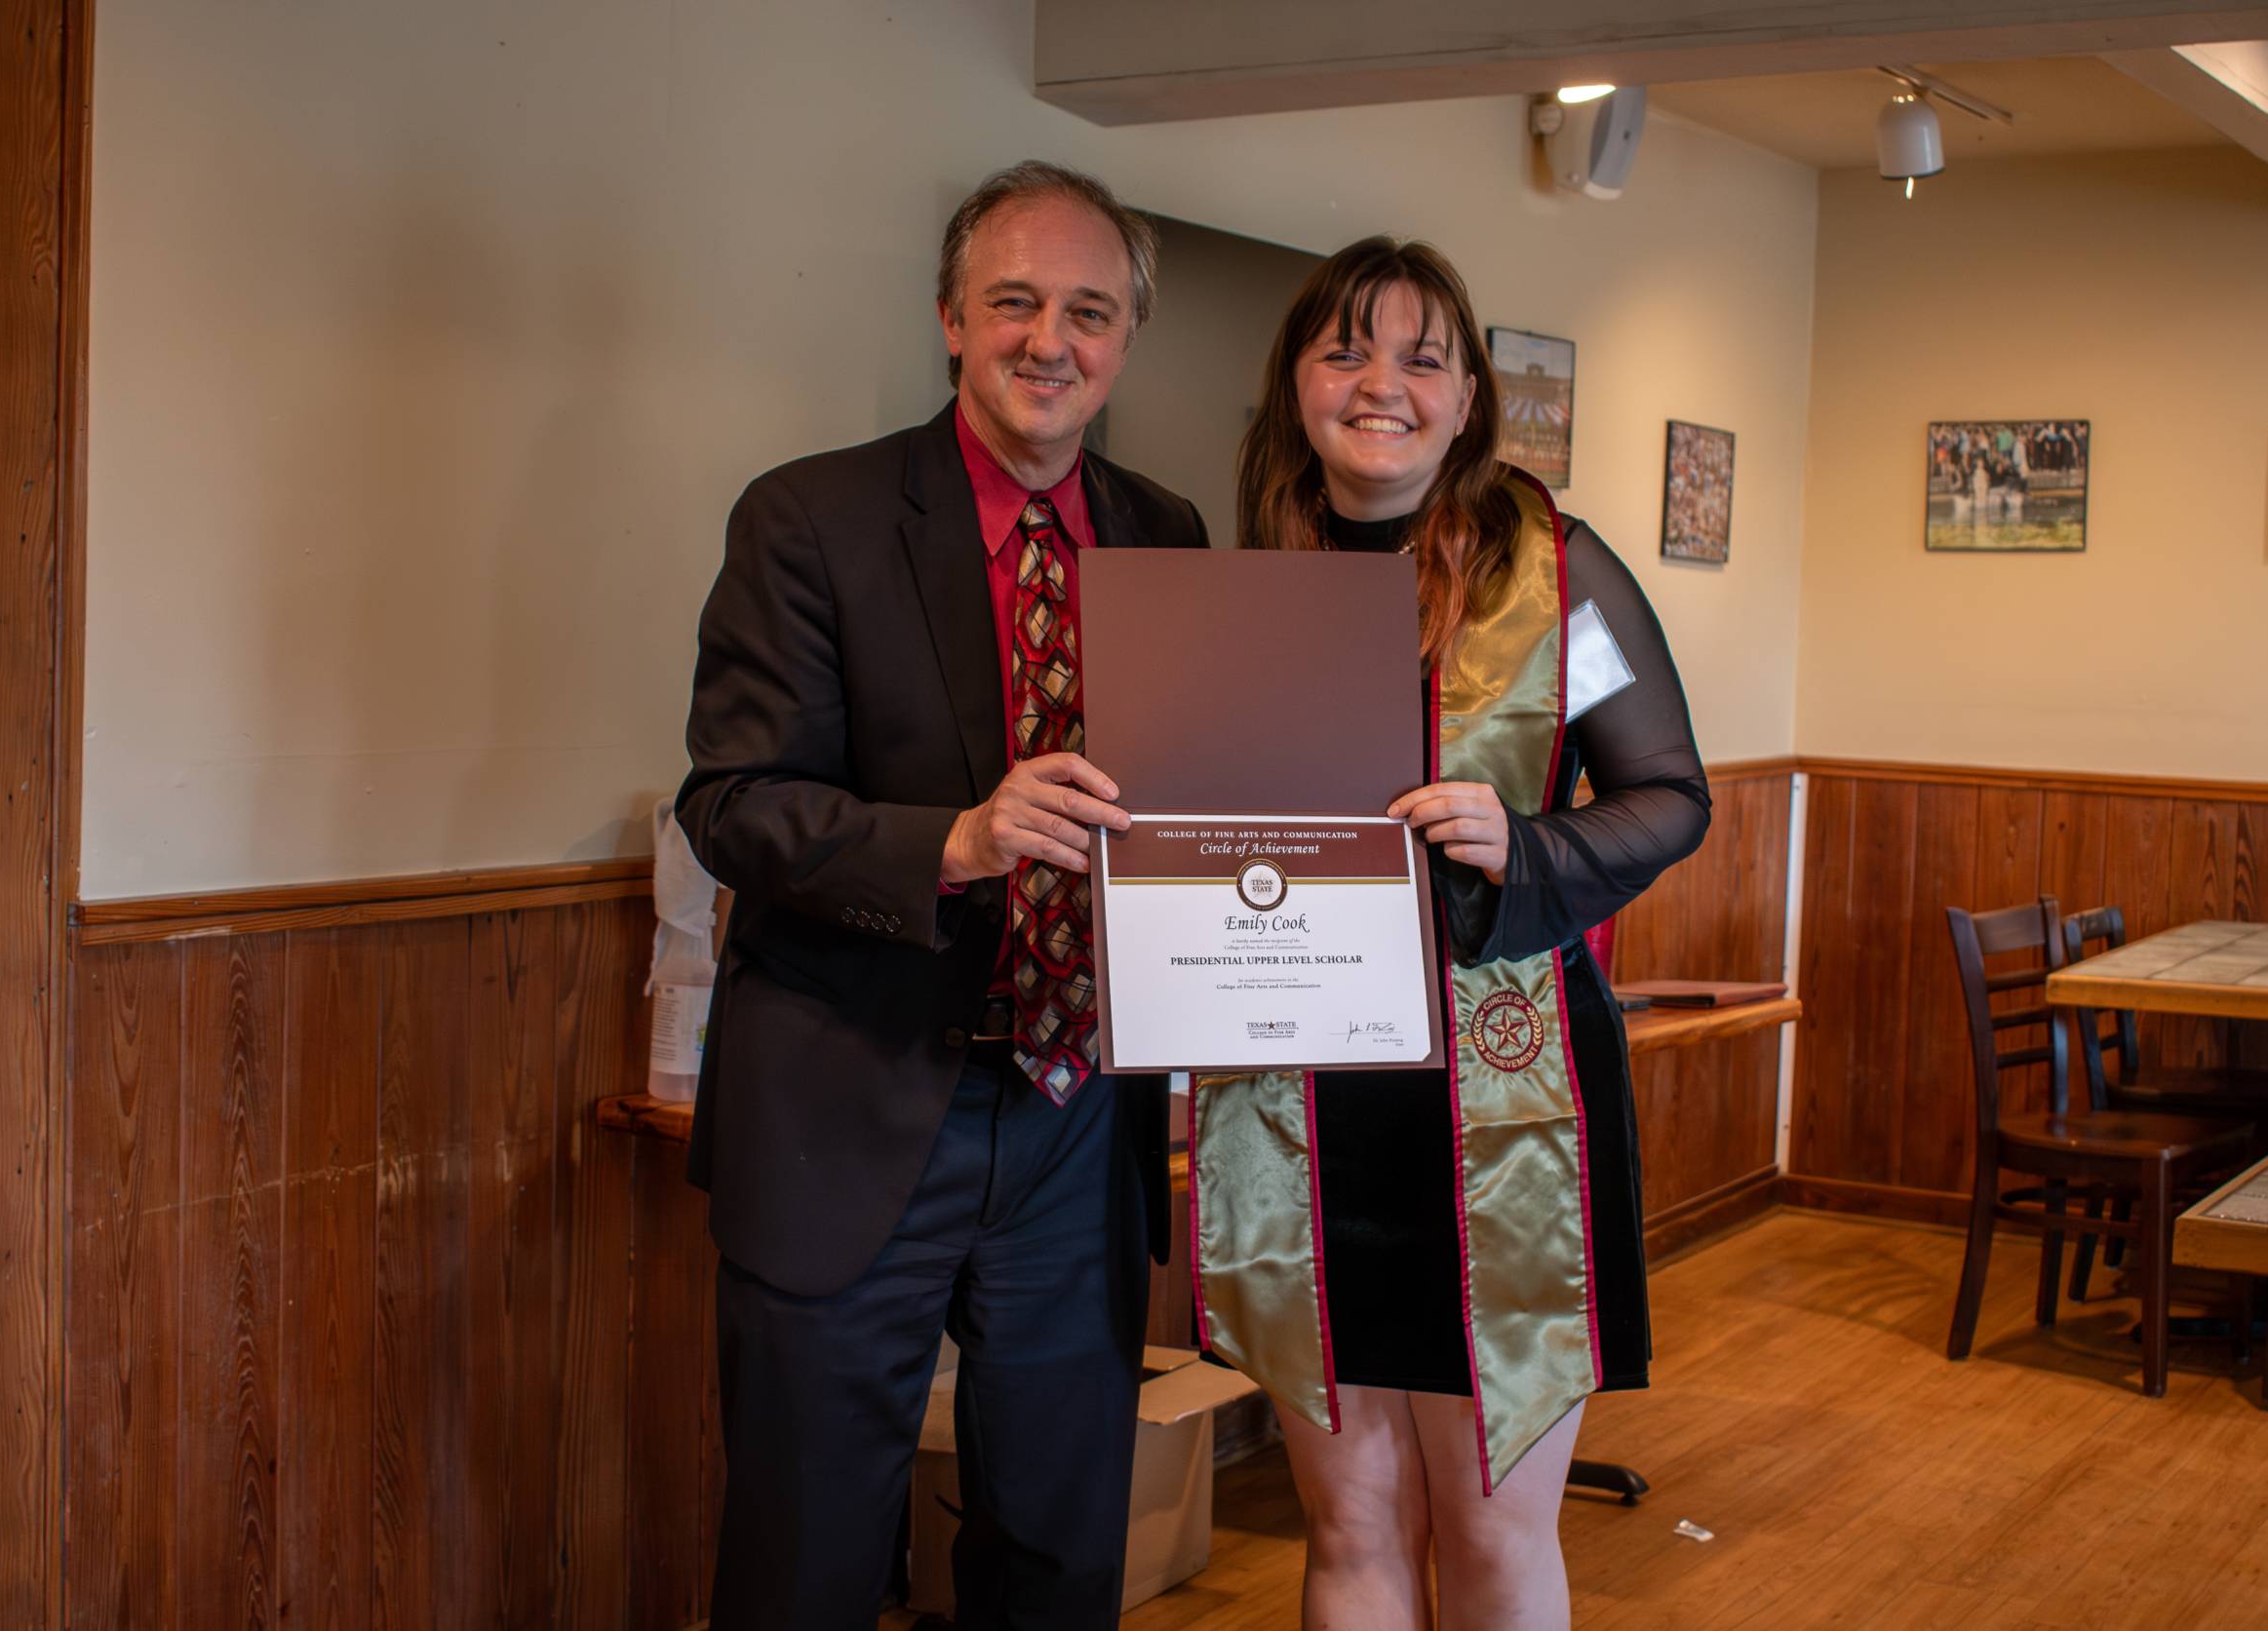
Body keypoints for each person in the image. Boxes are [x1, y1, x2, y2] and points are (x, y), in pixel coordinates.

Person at [676, 160, 1208, 1630]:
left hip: (1077, 1122)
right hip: (851, 1112)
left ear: (1124, 338)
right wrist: (960, 840)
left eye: (1089, 311)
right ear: (951, 321)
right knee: (811, 1563)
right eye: (1016, 303)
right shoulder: (809, 519)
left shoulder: (1168, 533)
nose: (1052, 340)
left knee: (1056, 1557)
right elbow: (730, 803)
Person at [1190, 238, 1709, 1630]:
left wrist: (1524, 843)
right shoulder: (1236, 588)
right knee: (1350, 1519)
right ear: (1295, 380)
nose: (1383, 386)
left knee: (1490, 1530)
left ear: (1470, 391)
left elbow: (1668, 796)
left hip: (1505, 1097)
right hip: (1301, 1105)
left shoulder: (1564, 584)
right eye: (1346, 349)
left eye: (1423, 356)